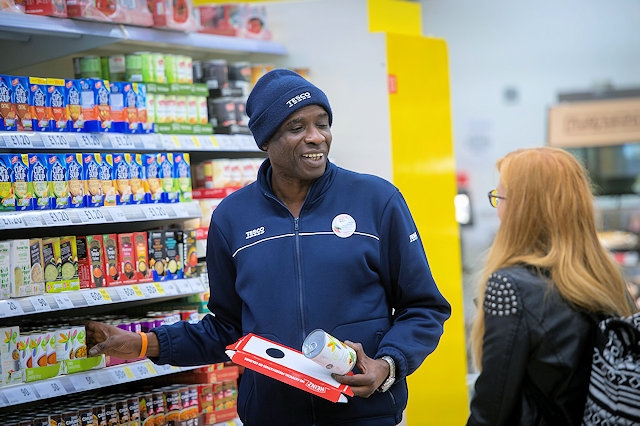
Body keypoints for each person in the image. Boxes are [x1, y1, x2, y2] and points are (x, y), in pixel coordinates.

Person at [86, 69, 451, 426]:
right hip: (272, 414)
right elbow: (229, 328)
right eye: (297, 127)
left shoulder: (377, 200)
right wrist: (143, 344)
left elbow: (423, 306)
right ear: (265, 140)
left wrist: (386, 364)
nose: (316, 137)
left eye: (322, 123)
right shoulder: (232, 217)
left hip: (363, 413)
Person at [466, 147, 637, 426]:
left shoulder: (510, 287)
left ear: (524, 210)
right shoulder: (607, 280)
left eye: (500, 198)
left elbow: (491, 411)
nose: (499, 212)